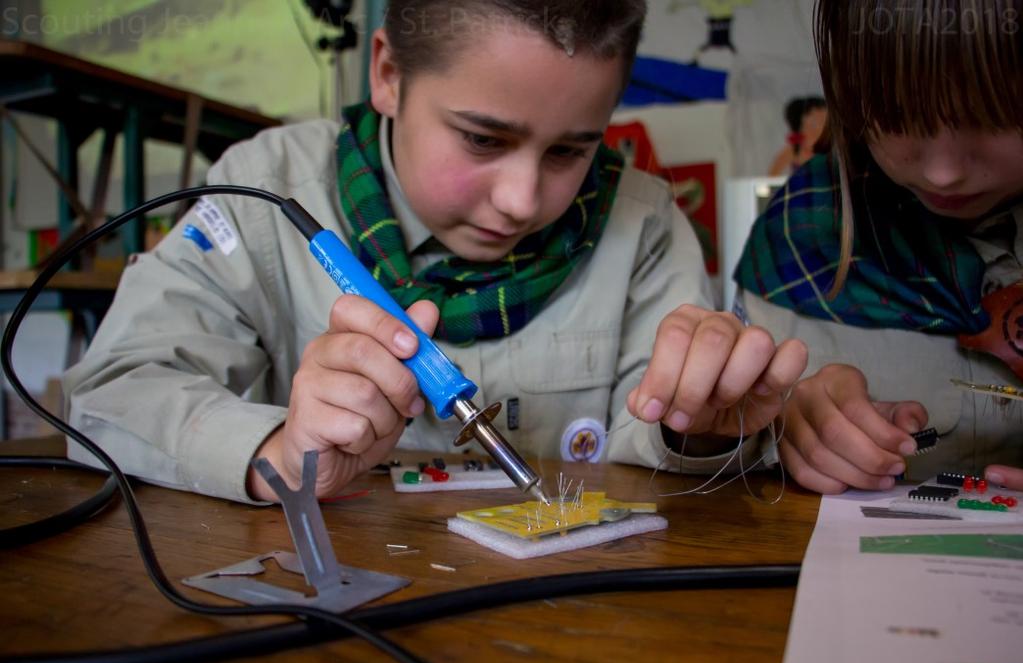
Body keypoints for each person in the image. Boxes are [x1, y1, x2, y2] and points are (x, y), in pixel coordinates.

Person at [64, 0, 806, 503]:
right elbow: (112, 392)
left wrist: (697, 426)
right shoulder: (264, 191)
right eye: (483, 139)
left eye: (571, 150)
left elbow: (668, 444)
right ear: (387, 75)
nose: (520, 198)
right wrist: (277, 453)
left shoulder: (643, 226)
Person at [735, 0, 1023, 494]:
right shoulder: (801, 244)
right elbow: (732, 447)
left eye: (992, 115)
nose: (943, 172)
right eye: (896, 115)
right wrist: (785, 429)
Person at [767, 96, 827, 177]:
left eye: (825, 120)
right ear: (800, 123)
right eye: (817, 121)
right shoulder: (793, 151)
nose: (823, 125)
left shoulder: (830, 149)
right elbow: (771, 178)